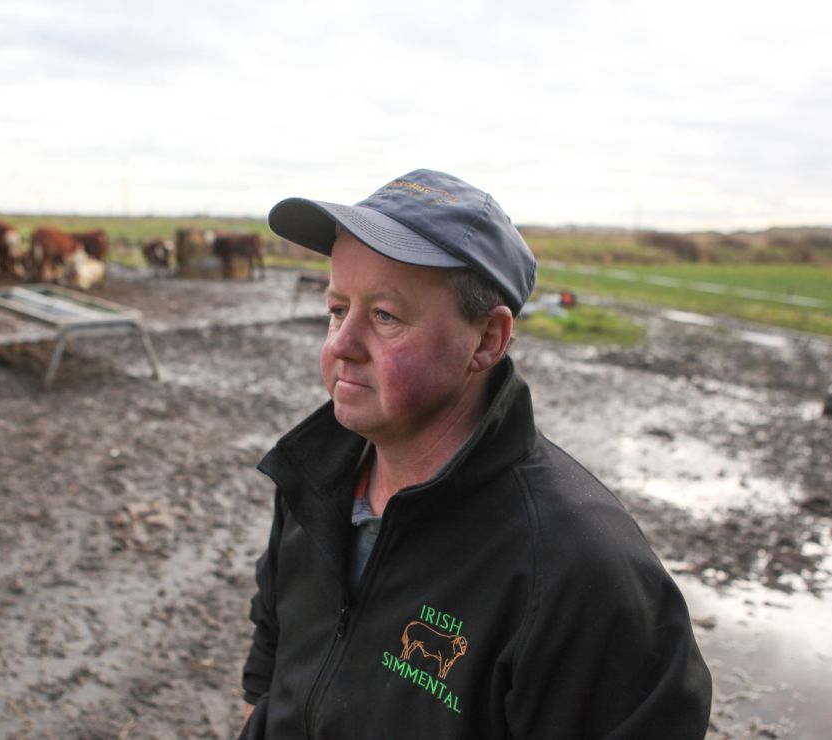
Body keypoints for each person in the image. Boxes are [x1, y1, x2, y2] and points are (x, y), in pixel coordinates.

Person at [239, 169, 712, 739]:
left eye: (385, 316)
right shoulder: (314, 475)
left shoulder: (581, 574)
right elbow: (274, 641)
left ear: (487, 339)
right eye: (338, 309)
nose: (340, 344)